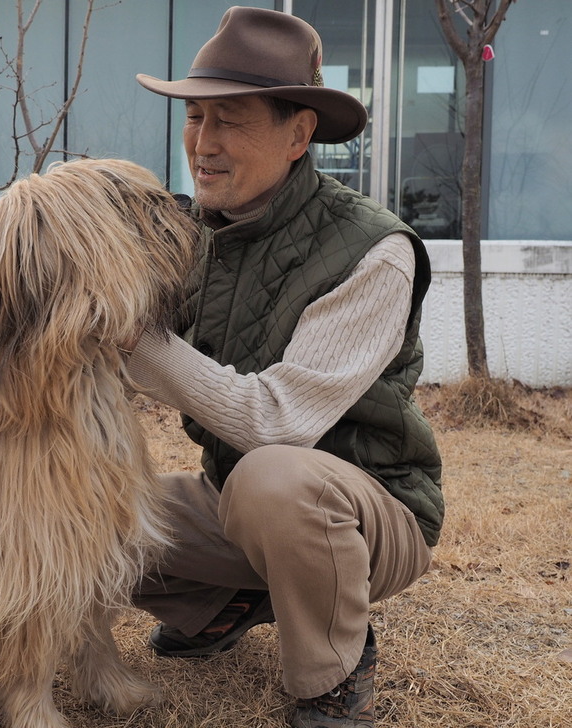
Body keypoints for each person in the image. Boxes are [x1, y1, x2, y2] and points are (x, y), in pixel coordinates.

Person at [127, 7, 443, 728]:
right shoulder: (201, 234)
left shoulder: (375, 252)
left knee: (273, 476)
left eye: (229, 121)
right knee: (90, 510)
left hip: (373, 515)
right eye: (195, 118)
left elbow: (280, 422)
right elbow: (138, 364)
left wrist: (133, 339)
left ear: (299, 133)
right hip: (242, 500)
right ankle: (227, 606)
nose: (201, 145)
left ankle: (333, 671)